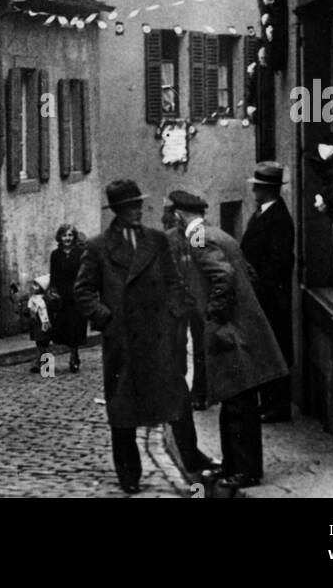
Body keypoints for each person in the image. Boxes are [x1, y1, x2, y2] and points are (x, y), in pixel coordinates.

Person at [73, 179, 213, 495]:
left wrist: (175, 313)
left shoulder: (157, 240)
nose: (137, 211)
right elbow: (82, 291)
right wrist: (106, 319)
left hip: (159, 338)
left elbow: (175, 282)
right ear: (118, 212)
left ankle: (192, 461)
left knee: (177, 402)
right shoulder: (98, 247)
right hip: (123, 342)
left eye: (139, 205)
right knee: (123, 411)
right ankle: (129, 473)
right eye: (130, 207)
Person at [169, 189, 288, 493]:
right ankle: (233, 464)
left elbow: (223, 278)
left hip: (230, 333)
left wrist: (216, 318)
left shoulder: (198, 239)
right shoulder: (220, 234)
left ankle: (246, 470)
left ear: (180, 215)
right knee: (234, 400)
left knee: (238, 404)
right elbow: (248, 273)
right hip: (242, 329)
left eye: (174, 215)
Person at [241, 161, 295, 422]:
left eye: (258, 188)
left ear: (268, 190)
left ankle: (277, 406)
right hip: (263, 295)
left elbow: (279, 262)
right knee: (266, 349)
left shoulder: (279, 219)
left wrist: (259, 285)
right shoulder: (262, 213)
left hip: (271, 297)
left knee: (275, 350)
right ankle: (268, 403)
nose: (254, 192)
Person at [163, 199, 208, 409]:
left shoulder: (197, 235)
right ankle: (177, 389)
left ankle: (199, 391)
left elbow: (198, 263)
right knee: (177, 345)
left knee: (200, 347)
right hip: (177, 300)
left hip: (196, 299)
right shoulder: (169, 238)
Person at [49, 223, 87, 372]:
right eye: (65, 235)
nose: (67, 238)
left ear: (74, 237)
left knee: (76, 325)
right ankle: (72, 352)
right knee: (64, 327)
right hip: (62, 295)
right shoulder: (55, 254)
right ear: (60, 237)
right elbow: (53, 274)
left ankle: (74, 355)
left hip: (77, 294)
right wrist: (53, 290)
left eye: (70, 235)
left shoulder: (81, 253)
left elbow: (85, 273)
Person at [26, 275, 54, 373]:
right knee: (39, 344)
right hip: (36, 324)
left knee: (44, 344)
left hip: (44, 324)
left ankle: (43, 364)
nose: (33, 288)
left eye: (36, 286)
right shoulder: (32, 299)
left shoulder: (46, 300)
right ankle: (40, 363)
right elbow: (29, 310)